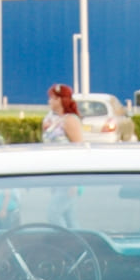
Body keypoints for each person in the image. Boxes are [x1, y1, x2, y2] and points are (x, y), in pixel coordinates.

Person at [42, 84, 83, 225]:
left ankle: (64, 241)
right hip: (55, 173)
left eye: (52, 98)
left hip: (68, 175)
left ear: (60, 100)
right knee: (69, 216)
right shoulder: (51, 118)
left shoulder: (70, 120)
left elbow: (78, 149)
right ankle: (77, 242)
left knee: (53, 213)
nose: (49, 101)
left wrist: (74, 181)